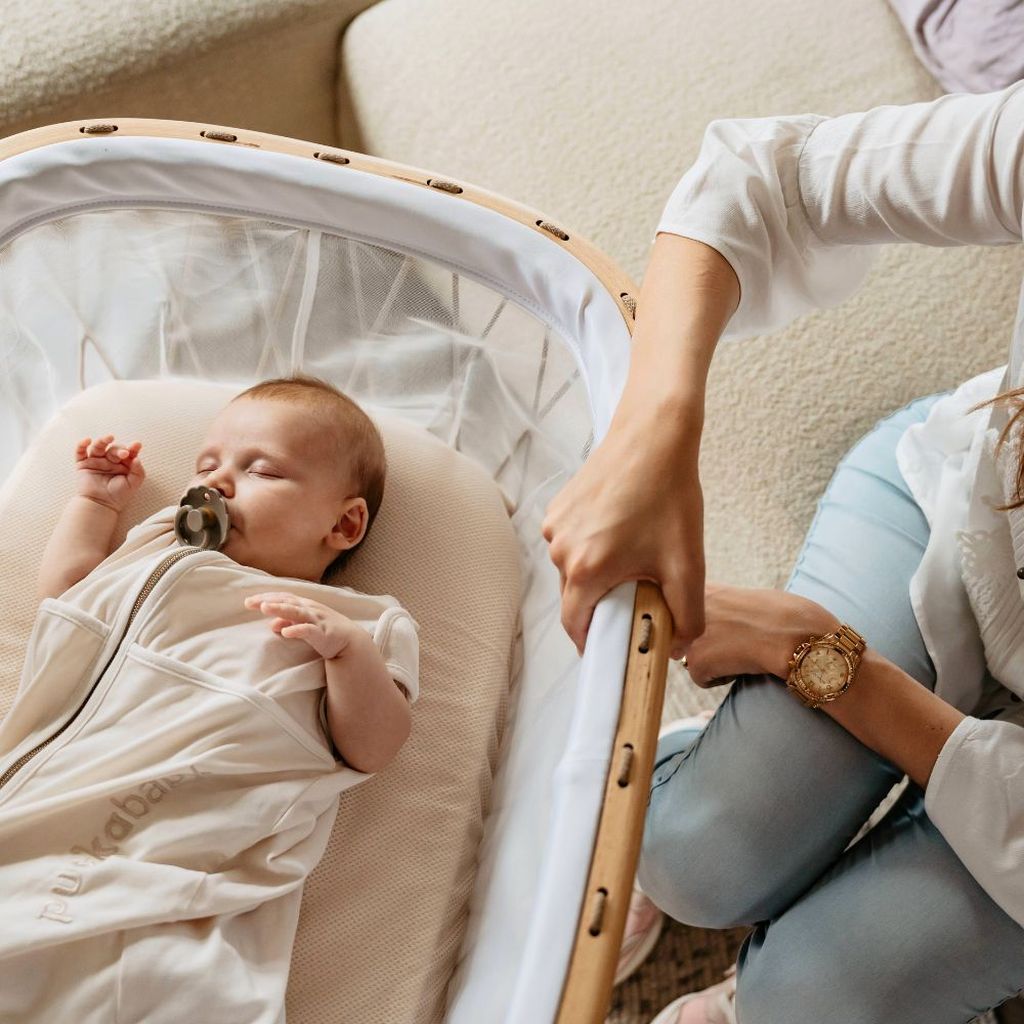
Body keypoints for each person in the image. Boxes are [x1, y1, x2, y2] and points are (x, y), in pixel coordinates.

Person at [541, 83, 1024, 1023]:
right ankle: (733, 779)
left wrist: (818, 658)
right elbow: (762, 173)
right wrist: (657, 430)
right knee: (693, 853)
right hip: (958, 516)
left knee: (800, 999)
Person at [1, 374, 419, 1021]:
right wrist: (95, 503)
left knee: (150, 981)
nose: (217, 482)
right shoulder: (154, 549)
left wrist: (346, 653)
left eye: (260, 470)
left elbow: (375, 746)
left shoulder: (359, 622)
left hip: (181, 862)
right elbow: (69, 594)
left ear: (343, 523)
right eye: (206, 465)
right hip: (49, 808)